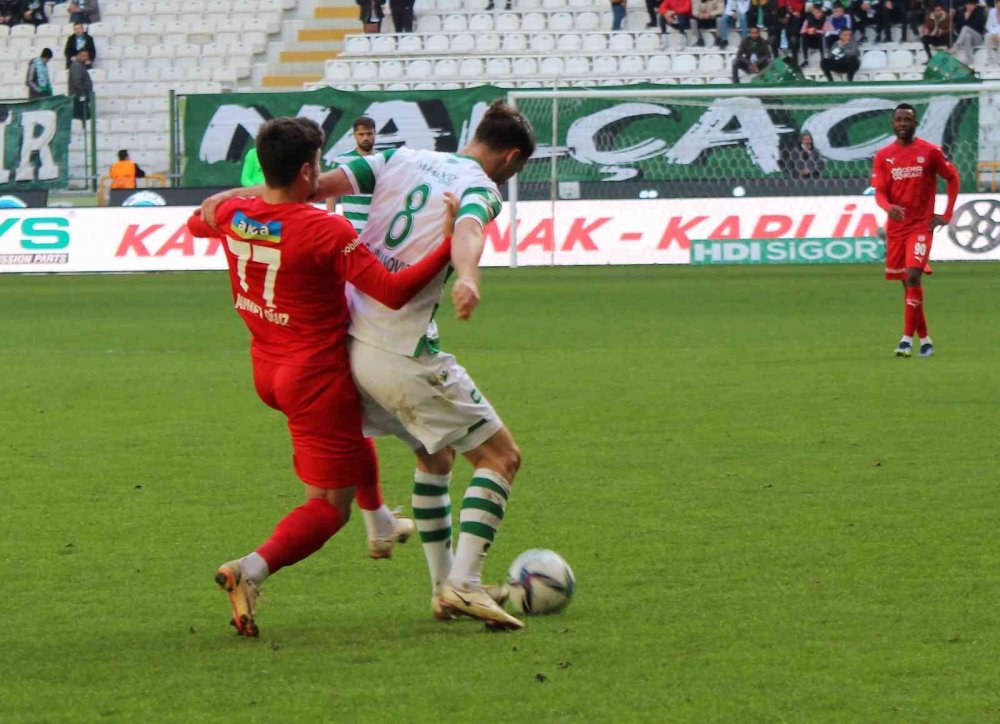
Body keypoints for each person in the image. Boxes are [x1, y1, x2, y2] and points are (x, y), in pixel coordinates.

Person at [201, 100, 537, 631]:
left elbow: (310, 187)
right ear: (513, 158)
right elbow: (469, 227)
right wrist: (468, 274)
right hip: (399, 352)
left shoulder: (399, 158)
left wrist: (236, 198)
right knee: (501, 457)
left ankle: (436, 582)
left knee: (435, 454)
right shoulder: (480, 188)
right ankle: (465, 583)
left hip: (347, 348)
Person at [870, 103, 959, 358]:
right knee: (908, 285)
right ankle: (926, 340)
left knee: (912, 277)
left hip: (921, 226)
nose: (902, 124)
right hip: (897, 229)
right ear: (892, 123)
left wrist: (947, 214)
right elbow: (880, 193)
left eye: (907, 119)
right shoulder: (883, 156)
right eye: (898, 120)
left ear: (915, 123)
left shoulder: (930, 152)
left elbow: (952, 177)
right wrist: (889, 208)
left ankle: (906, 341)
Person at [326, 115, 376, 226]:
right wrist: (331, 220)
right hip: (352, 228)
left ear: (375, 133)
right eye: (361, 134)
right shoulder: (342, 160)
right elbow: (330, 191)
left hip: (378, 228)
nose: (365, 138)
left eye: (369, 134)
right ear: (354, 134)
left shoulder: (384, 160)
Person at [68, 50, 93, 123]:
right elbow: (77, 82)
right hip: (79, 97)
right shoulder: (77, 66)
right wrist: (83, 94)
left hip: (80, 97)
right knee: (83, 118)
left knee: (83, 119)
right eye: (83, 56)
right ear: (78, 56)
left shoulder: (81, 66)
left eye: (87, 56)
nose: (86, 58)